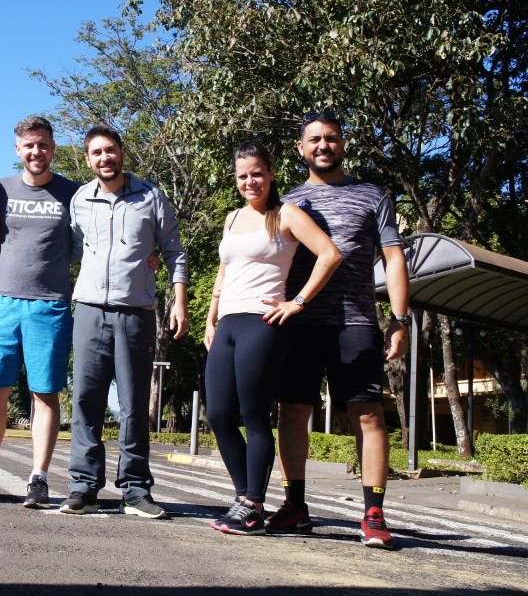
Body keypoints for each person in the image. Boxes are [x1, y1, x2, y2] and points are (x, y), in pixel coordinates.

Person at [268, 111, 410, 549]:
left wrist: (399, 320)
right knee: (292, 412)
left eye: (331, 138)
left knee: (366, 413)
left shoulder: (372, 195)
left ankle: (374, 514)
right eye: (314, 140)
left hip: (356, 321)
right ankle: (295, 505)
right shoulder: (286, 201)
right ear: (301, 148)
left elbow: (394, 258)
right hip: (300, 323)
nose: (323, 145)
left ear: (343, 143)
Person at [204, 142, 342, 535]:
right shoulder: (232, 218)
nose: (250, 181)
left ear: (271, 173)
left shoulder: (286, 215)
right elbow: (224, 270)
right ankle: (244, 498)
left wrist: (297, 302)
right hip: (227, 323)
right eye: (243, 175)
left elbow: (330, 254)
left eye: (257, 173)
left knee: (253, 414)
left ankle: (252, 505)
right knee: (217, 415)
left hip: (262, 323)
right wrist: (210, 319)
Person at [60, 124, 188, 520]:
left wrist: (178, 301)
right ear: (88, 159)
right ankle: (84, 486)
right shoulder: (80, 199)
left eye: (110, 150)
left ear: (122, 153)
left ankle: (135, 489)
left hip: (136, 312)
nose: (104, 158)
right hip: (90, 310)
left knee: (133, 404)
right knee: (86, 398)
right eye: (96, 152)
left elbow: (174, 252)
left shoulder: (152, 196)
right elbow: (75, 249)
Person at [0, 115, 81, 508]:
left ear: (52, 147)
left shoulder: (72, 193)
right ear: (17, 149)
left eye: (42, 144)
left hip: (51, 304)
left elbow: (82, 246)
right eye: (28, 145)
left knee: (45, 393)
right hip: (3, 301)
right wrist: (11, 276)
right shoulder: (1, 189)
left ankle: (38, 479)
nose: (36, 151)